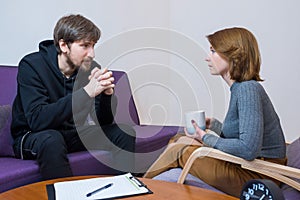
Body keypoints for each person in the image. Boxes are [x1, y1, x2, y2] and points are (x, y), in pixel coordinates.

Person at [143, 27, 287, 197]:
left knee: (179, 150)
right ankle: (146, 186)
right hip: (250, 167)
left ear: (234, 55)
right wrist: (216, 127)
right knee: (180, 139)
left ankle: (140, 188)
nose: (207, 57)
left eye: (213, 51)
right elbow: (244, 136)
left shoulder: (247, 89)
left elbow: (248, 149)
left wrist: (205, 137)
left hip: (259, 174)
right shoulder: (241, 88)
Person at [11, 14, 136, 180]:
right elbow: (37, 120)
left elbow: (104, 122)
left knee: (124, 132)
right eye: (85, 46)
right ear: (63, 45)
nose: (91, 54)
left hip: (71, 134)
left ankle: (128, 188)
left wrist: (107, 96)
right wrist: (86, 92)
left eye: (93, 46)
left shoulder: (90, 68)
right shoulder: (32, 65)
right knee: (52, 139)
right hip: (33, 135)